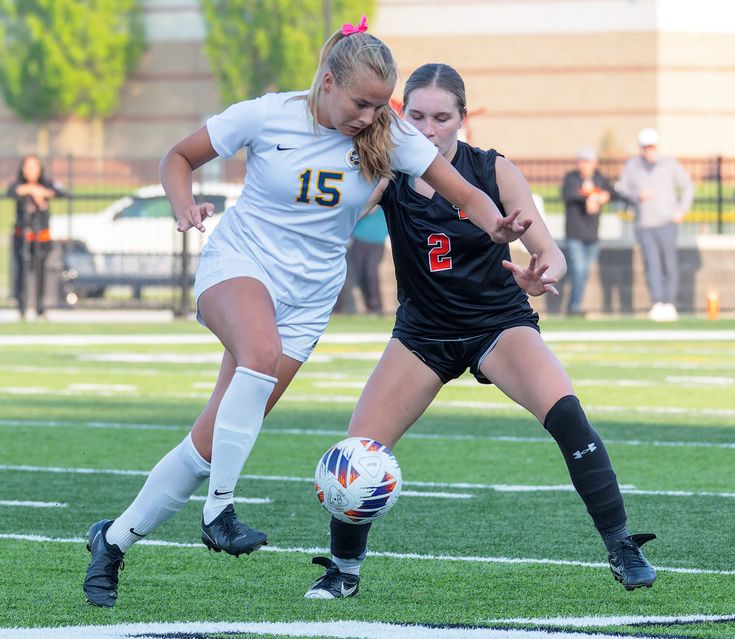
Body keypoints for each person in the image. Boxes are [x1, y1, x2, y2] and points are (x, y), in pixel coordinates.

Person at [81, 17, 531, 608]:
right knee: (260, 355)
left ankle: (112, 541)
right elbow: (178, 157)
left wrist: (498, 227)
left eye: (380, 105)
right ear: (328, 81)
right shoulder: (267, 115)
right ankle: (220, 511)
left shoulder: (388, 133)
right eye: (361, 103)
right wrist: (183, 203)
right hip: (241, 264)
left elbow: (464, 192)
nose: (370, 116)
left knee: (211, 440)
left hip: (310, 296)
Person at [304, 63, 656, 600]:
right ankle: (343, 570)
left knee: (568, 415)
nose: (428, 129)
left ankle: (621, 545)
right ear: (399, 116)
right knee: (358, 451)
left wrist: (542, 276)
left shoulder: (492, 169)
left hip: (497, 323)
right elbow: (330, 220)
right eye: (416, 116)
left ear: (462, 118)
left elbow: (549, 252)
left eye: (441, 118)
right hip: (423, 334)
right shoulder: (386, 171)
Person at [617, 128, 694, 322]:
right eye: (645, 147)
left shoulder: (669, 164)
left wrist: (681, 210)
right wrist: (637, 196)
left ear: (656, 147)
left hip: (667, 222)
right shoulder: (632, 166)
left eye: (651, 147)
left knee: (669, 263)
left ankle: (670, 303)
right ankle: (658, 302)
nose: (648, 151)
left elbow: (688, 186)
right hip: (644, 224)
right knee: (652, 265)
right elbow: (622, 189)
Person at [7, 155, 65, 319]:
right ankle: (22, 308)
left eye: (34, 167)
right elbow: (11, 191)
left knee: (41, 272)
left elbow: (60, 191)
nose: (31, 170)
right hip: (23, 236)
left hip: (41, 236)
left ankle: (40, 308)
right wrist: (31, 190)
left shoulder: (46, 183)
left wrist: (42, 192)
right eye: (28, 167)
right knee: (21, 273)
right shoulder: (19, 184)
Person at [561, 148, 612, 316]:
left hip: (592, 234)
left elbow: (612, 193)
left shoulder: (599, 178)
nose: (585, 165)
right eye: (583, 161)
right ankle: (575, 306)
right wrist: (589, 197)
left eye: (589, 162)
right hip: (575, 233)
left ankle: (575, 304)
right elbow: (569, 195)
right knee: (578, 269)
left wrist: (604, 196)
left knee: (584, 272)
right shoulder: (572, 178)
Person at [349, 206, 389, 315]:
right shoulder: (363, 200)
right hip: (359, 239)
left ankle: (376, 306)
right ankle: (368, 306)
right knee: (359, 274)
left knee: (371, 271)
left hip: (378, 242)